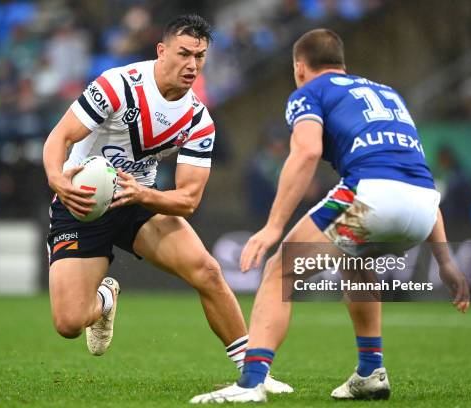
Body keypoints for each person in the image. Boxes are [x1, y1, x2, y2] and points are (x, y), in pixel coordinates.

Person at [190, 28, 470, 403]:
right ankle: (371, 371)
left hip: (371, 198)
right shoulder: (389, 94)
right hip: (424, 206)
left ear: (299, 67)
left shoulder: (309, 92)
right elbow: (412, 174)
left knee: (279, 271)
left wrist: (273, 226)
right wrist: (445, 261)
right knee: (356, 261)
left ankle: (251, 382)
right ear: (341, 63)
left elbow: (306, 152)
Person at [42, 14, 291, 394]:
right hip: (83, 201)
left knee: (207, 270)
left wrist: (142, 194)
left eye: (200, 57)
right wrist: (59, 180)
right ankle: (105, 298)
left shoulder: (198, 119)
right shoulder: (117, 86)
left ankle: (254, 372)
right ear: (162, 51)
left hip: (139, 197)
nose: (192, 65)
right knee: (68, 323)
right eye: (184, 54)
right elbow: (59, 138)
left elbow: (188, 199)